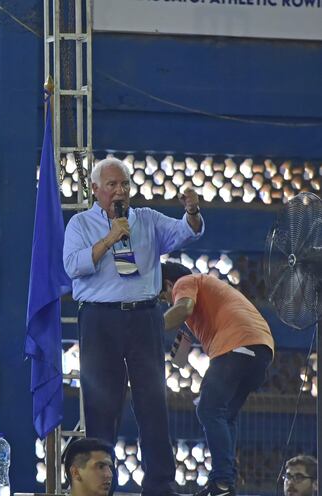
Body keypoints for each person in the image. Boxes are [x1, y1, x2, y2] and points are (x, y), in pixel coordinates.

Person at [62, 157, 204, 495]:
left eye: (124, 184)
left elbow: (185, 232)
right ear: (95, 190)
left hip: (143, 317)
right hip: (100, 319)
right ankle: (100, 485)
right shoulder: (80, 224)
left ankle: (159, 485)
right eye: (111, 185)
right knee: (101, 404)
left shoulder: (147, 220)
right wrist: (110, 238)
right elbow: (72, 266)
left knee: (152, 401)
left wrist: (193, 212)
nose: (120, 190)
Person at [160, 262, 274, 496]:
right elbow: (182, 351)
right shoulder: (207, 292)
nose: (165, 302)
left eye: (163, 295)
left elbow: (182, 308)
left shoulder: (186, 282)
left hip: (237, 344)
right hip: (260, 351)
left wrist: (149, 328)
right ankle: (224, 484)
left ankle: (222, 481)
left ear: (169, 284)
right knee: (225, 416)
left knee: (208, 410)